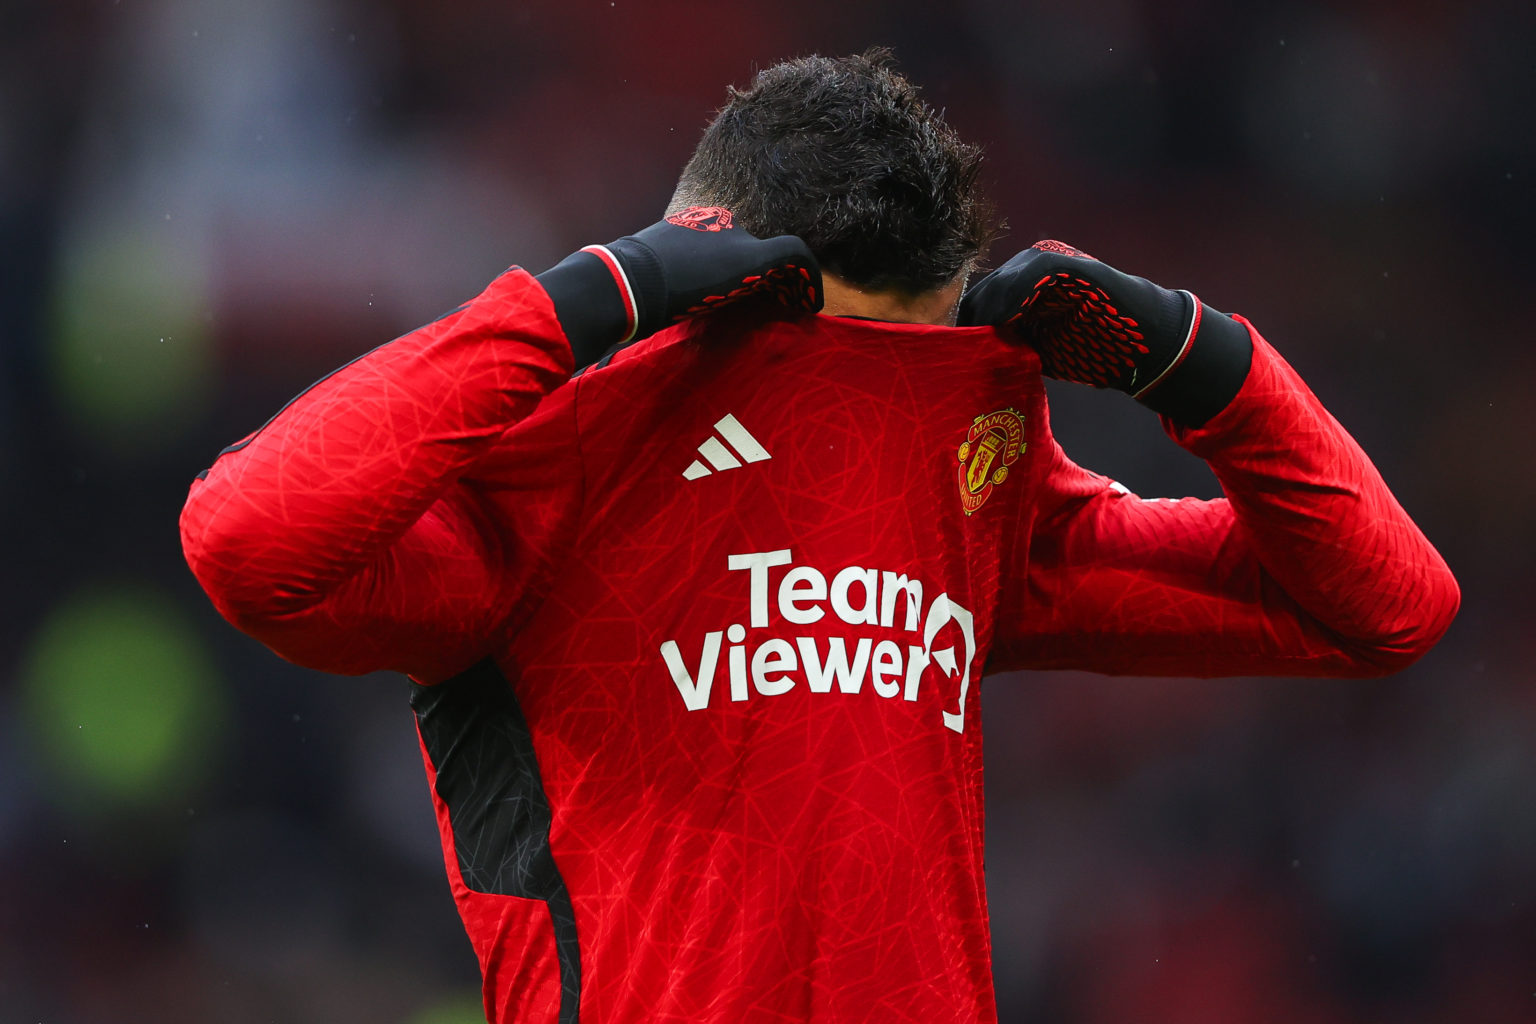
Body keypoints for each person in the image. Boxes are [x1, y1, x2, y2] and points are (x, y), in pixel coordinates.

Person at [180, 50, 1458, 1024]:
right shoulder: (552, 479)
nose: (886, 414)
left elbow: (1388, 608)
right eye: (828, 368)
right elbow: (250, 538)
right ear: (715, 279)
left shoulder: (984, 502)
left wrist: (1204, 362)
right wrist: (594, 295)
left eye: (920, 363)